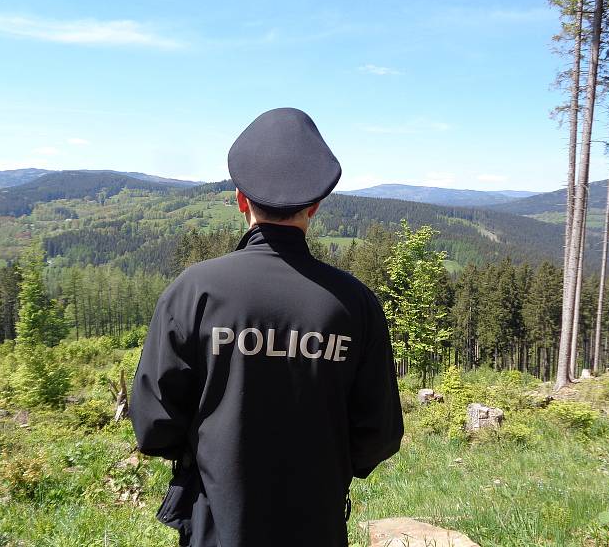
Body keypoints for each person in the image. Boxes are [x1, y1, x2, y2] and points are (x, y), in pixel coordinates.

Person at [130, 107, 404, 547]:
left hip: (215, 527)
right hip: (318, 526)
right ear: (314, 207)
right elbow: (379, 435)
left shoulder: (194, 290)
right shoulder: (355, 304)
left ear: (241, 200)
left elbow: (153, 424)